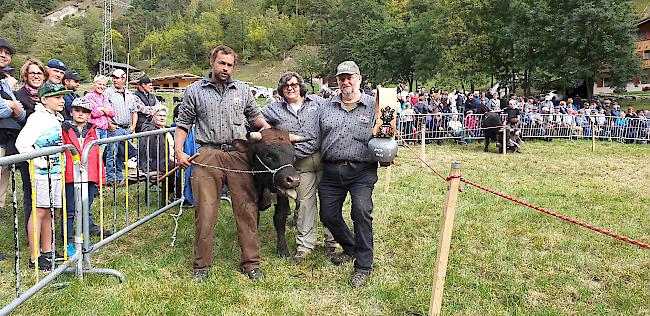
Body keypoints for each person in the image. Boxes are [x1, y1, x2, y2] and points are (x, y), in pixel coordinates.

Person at [174, 45, 271, 281]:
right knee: (205, 212)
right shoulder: (195, 91)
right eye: (221, 63)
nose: (225, 68)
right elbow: (183, 124)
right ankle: (201, 266)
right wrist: (178, 151)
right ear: (212, 63)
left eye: (229, 65)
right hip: (207, 155)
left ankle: (251, 264)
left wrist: (270, 133)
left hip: (239, 155)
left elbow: (256, 118)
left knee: (247, 210)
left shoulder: (243, 90)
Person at [261, 72, 339, 263]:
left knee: (329, 202)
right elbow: (256, 121)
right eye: (286, 85)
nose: (290, 88)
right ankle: (305, 245)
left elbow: (335, 116)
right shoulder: (273, 109)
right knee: (304, 203)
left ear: (301, 86)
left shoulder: (319, 103)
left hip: (323, 157)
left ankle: (334, 241)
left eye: (294, 84)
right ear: (281, 89)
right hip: (298, 162)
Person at [318, 61, 379, 287]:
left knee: (361, 211)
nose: (345, 81)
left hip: (362, 169)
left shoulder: (375, 106)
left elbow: (388, 133)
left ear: (359, 78)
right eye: (341, 78)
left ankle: (363, 266)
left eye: (350, 77)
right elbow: (314, 135)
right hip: (332, 170)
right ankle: (351, 248)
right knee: (328, 215)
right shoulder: (325, 106)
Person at [15, 82, 70, 270]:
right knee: (39, 211)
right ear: (44, 100)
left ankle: (47, 251)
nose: (62, 101)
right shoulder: (37, 119)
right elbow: (22, 144)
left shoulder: (55, 118)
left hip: (55, 173)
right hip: (40, 174)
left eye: (62, 97)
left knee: (50, 211)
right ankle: (34, 256)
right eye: (57, 97)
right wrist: (39, 162)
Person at [62, 98, 112, 257]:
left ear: (90, 114)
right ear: (71, 112)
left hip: (89, 176)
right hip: (71, 175)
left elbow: (97, 154)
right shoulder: (65, 129)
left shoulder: (92, 130)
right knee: (70, 209)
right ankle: (68, 240)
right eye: (77, 110)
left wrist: (101, 176)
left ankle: (82, 236)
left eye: (84, 111)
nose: (81, 114)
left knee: (85, 207)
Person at [0, 38, 26, 261]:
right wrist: (10, 106)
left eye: (7, 53)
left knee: (0, 196)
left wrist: (10, 105)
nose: (3, 55)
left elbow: (22, 114)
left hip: (5, 145)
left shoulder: (6, 83)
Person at [14, 58, 46, 236]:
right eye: (32, 72)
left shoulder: (48, 94)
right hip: (28, 150)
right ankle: (32, 233)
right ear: (25, 75)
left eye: (39, 73)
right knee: (31, 193)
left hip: (48, 150)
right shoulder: (19, 96)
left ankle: (46, 232)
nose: (35, 76)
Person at [104, 69, 139, 186]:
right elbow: (104, 109)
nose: (114, 80)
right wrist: (109, 124)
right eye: (113, 78)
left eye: (116, 77)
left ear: (123, 79)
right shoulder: (108, 92)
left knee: (122, 153)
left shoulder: (130, 94)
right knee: (112, 153)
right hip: (115, 127)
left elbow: (134, 111)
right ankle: (110, 178)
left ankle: (119, 176)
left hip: (126, 129)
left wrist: (133, 126)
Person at [138, 105, 179, 198]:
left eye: (164, 116)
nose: (162, 118)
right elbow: (151, 152)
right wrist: (172, 159)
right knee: (178, 166)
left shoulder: (167, 129)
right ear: (153, 116)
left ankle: (180, 194)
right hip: (155, 162)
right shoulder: (149, 130)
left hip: (169, 158)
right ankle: (174, 195)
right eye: (159, 115)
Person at [85, 75, 114, 141]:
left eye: (104, 85)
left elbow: (112, 113)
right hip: (94, 129)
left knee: (102, 150)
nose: (102, 86)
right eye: (100, 84)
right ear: (94, 84)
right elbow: (95, 113)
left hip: (104, 129)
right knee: (95, 149)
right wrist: (105, 109)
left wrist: (101, 108)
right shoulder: (89, 96)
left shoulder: (104, 97)